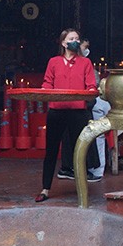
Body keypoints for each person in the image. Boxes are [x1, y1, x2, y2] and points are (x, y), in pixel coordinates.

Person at [35, 28, 99, 203]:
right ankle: (45, 189)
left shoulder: (85, 63)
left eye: (77, 39)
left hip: (78, 112)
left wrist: (91, 92)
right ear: (63, 43)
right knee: (51, 150)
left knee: (80, 150)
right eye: (71, 39)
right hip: (57, 111)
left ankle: (82, 190)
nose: (75, 42)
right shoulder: (54, 62)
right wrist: (44, 92)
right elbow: (48, 82)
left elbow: (91, 85)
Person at [56, 37, 101, 182]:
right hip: (73, 106)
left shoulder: (85, 63)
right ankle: (75, 169)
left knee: (78, 137)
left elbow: (92, 84)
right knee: (77, 138)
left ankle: (73, 168)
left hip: (82, 105)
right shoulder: (60, 62)